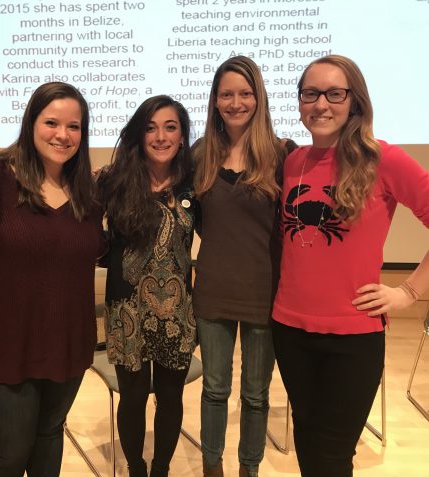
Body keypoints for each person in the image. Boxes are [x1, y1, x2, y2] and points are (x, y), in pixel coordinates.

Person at [272, 54, 429, 477]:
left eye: (334, 93)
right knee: (307, 442)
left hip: (353, 336)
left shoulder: (383, 159)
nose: (320, 104)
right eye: (310, 93)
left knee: (332, 457)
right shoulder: (293, 162)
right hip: (289, 329)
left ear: (354, 100)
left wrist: (409, 291)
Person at [0, 82, 103, 477]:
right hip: (2, 345)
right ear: (30, 123)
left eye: (74, 126)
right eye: (51, 122)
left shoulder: (88, 194)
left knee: (49, 435)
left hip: (67, 343)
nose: (63, 134)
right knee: (11, 451)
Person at [192, 56, 294, 477]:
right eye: (227, 94)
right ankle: (212, 467)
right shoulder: (200, 154)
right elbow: (196, 219)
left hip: (264, 293)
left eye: (245, 93)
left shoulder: (283, 155)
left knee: (255, 394)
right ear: (215, 101)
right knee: (215, 389)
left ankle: (249, 469)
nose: (236, 103)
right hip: (213, 290)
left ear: (259, 97)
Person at [97, 95, 198, 477]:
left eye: (170, 127)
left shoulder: (194, 186)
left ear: (183, 136)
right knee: (133, 398)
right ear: (139, 135)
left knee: (171, 397)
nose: (160, 136)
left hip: (177, 312)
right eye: (151, 128)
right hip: (127, 313)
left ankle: (161, 470)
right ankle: (136, 469)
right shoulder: (112, 182)